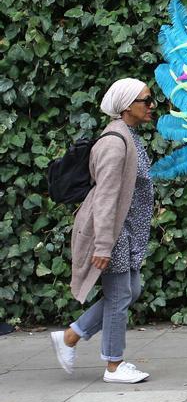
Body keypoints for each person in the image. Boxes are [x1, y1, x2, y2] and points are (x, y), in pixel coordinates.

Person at [51, 78, 157, 383]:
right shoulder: (114, 142)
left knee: (129, 291)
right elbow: (106, 197)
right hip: (113, 232)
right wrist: (103, 245)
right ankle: (114, 364)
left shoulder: (128, 135)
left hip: (124, 230)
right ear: (126, 107)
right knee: (120, 295)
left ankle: (71, 336)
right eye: (145, 101)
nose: (151, 107)